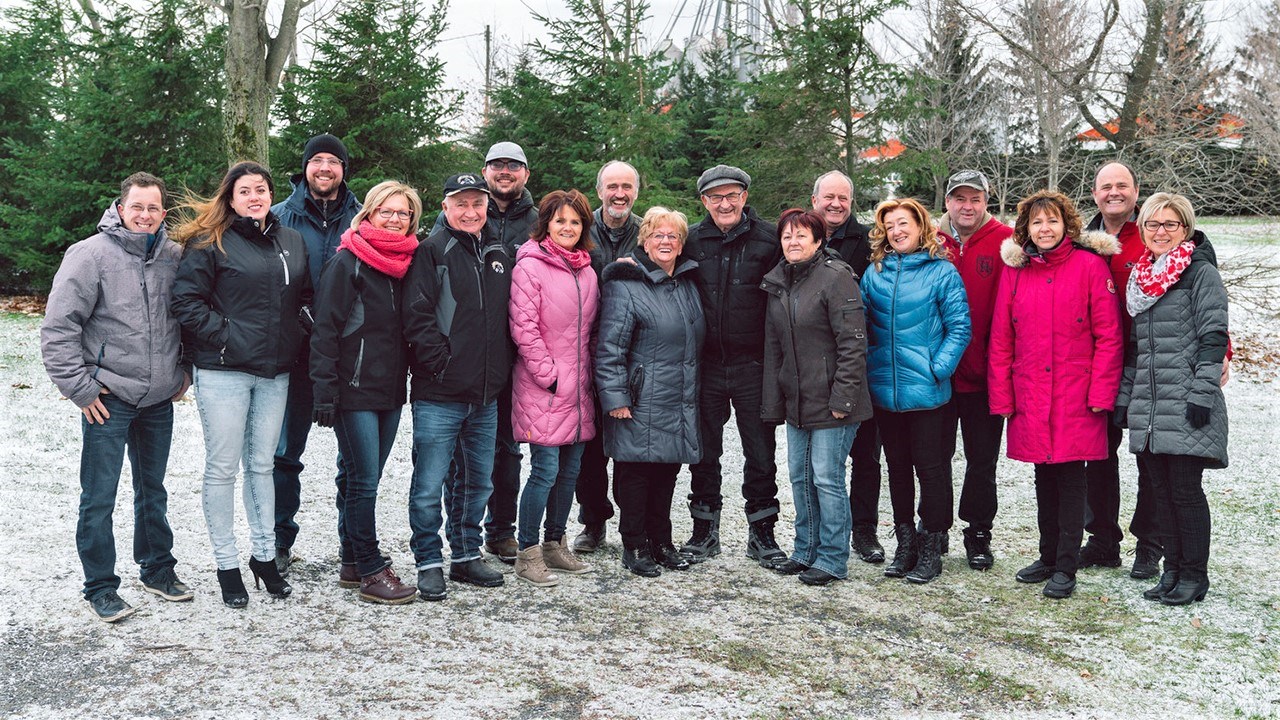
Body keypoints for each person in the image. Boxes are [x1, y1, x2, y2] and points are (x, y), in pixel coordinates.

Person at [41, 172, 193, 622]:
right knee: (100, 495)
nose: (145, 216)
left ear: (163, 214)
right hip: (110, 396)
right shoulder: (90, 255)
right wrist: (81, 388)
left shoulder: (175, 257)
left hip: (158, 399)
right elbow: (58, 328)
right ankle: (101, 586)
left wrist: (181, 372)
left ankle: (157, 568)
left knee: (153, 490)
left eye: (153, 208)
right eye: (137, 207)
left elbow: (188, 315)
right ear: (121, 208)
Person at [171, 161, 309, 608]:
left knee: (263, 465)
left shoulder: (290, 240)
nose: (255, 196)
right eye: (245, 190)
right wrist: (228, 335)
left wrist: (298, 331)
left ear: (272, 195)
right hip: (224, 370)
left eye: (262, 189)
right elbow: (186, 302)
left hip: (274, 373)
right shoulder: (210, 241)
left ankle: (264, 557)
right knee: (222, 467)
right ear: (230, 198)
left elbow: (304, 298)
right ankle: (227, 564)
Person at [989, 190, 1123, 600]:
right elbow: (1001, 337)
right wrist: (1003, 397)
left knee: (1070, 478)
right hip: (1031, 392)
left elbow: (1109, 336)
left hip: (1075, 395)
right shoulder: (1016, 271)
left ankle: (1066, 565)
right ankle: (1047, 555)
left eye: (1052, 221)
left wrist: (1102, 392)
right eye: (1036, 222)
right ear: (1025, 228)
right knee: (1043, 476)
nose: (1044, 229)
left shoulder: (1089, 266)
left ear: (1067, 225)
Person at [309, 181, 420, 605]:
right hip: (352, 390)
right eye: (387, 211)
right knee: (364, 480)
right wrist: (324, 391)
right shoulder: (348, 262)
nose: (395, 219)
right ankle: (372, 570)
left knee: (356, 475)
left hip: (390, 390)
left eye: (403, 213)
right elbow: (325, 330)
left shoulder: (406, 262)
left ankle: (351, 560)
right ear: (369, 213)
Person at [1115, 193, 1228, 605]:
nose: (1161, 232)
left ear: (1185, 228)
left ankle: (1195, 576)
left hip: (1186, 401)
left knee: (1185, 491)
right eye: (1152, 225)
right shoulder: (1142, 278)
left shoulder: (1200, 273)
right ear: (1142, 230)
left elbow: (1214, 337)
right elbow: (1136, 348)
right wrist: (1125, 400)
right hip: (1149, 405)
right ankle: (1172, 571)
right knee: (1159, 492)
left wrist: (1203, 392)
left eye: (1171, 224)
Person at [403, 173, 512, 600]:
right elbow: (418, 316)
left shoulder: (499, 251)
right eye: (461, 204)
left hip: (486, 394)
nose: (471, 212)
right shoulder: (432, 250)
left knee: (477, 482)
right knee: (430, 483)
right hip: (441, 392)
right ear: (445, 206)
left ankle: (466, 555)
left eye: (478, 204)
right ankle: (428, 561)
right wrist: (441, 365)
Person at [430, 142, 538, 565]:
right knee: (462, 452)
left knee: (508, 448)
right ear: (486, 171)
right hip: (467, 355)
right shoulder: (462, 213)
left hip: (512, 354)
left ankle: (500, 530)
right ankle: (458, 537)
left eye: (514, 166)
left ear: (525, 174)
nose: (505, 171)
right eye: (497, 165)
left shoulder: (536, 220)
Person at [680, 164, 785, 570]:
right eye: (715, 197)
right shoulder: (691, 238)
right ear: (704, 201)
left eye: (732, 195)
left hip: (752, 365)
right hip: (705, 364)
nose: (725, 204)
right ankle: (704, 531)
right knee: (703, 451)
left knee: (760, 453)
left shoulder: (769, 238)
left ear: (744, 196)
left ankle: (763, 534)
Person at [861, 198, 971, 584]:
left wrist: (936, 369)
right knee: (898, 470)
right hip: (885, 392)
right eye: (890, 225)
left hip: (927, 393)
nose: (897, 231)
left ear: (921, 226)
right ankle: (905, 541)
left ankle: (932, 544)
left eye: (904, 223)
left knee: (932, 469)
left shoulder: (942, 273)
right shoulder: (874, 273)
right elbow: (862, 327)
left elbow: (960, 328)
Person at [761, 209, 872, 586]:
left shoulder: (836, 278)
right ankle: (804, 550)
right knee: (800, 477)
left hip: (834, 400)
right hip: (798, 399)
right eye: (787, 236)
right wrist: (776, 399)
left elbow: (853, 344)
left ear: (819, 241)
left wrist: (843, 398)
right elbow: (775, 346)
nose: (793, 242)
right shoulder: (779, 281)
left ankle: (832, 558)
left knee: (827, 478)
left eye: (801, 235)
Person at [270, 134, 362, 578]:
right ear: (304, 167)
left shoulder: (363, 219)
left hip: (350, 356)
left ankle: (352, 544)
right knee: (285, 453)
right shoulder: (279, 217)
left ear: (345, 169)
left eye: (333, 161)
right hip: (295, 354)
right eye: (317, 160)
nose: (325, 168)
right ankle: (279, 538)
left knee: (353, 458)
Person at [596, 207, 705, 578]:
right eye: (657, 234)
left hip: (677, 398)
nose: (665, 241)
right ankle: (635, 543)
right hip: (640, 399)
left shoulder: (687, 284)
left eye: (672, 236)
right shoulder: (626, 285)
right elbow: (609, 348)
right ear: (643, 240)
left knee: (666, 473)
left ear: (681, 243)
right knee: (636, 475)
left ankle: (662, 540)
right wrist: (616, 399)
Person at [508, 189, 601, 586]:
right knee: (544, 470)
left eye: (575, 222)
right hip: (544, 387)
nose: (567, 227)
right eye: (560, 220)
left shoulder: (588, 271)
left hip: (580, 390)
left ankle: (554, 543)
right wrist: (551, 375)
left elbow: (591, 332)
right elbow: (523, 328)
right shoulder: (530, 266)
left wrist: (583, 379)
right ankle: (527, 552)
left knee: (571, 471)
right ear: (545, 223)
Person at [1077, 161, 1160, 578]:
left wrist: (1222, 349)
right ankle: (1103, 539)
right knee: (1099, 454)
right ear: (1095, 194)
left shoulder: (1154, 233)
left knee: (1150, 454)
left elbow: (1202, 288)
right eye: (1105, 186)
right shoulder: (1081, 240)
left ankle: (1150, 543)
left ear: (1135, 189)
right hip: (1098, 364)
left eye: (1122, 186)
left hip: (1149, 360)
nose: (1114, 192)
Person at [936, 169, 1015, 571]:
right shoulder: (931, 240)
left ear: (987, 201)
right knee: (935, 457)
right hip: (939, 374)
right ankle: (933, 529)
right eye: (959, 198)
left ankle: (978, 531)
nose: (967, 207)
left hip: (986, 373)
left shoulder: (1005, 241)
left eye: (975, 199)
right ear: (947, 201)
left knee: (981, 460)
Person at [810, 170, 884, 565]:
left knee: (866, 456)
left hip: (859, 362)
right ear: (815, 200)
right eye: (829, 197)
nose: (836, 204)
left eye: (843, 198)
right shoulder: (799, 238)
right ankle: (821, 531)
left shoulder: (870, 240)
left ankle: (865, 529)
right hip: (813, 366)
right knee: (818, 461)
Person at [573, 160, 642, 554]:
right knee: (590, 444)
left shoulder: (646, 231)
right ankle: (593, 520)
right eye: (612, 186)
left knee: (632, 442)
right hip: (586, 347)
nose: (620, 194)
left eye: (627, 187)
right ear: (599, 190)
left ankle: (636, 523)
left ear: (636, 191)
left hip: (635, 352)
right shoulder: (583, 228)